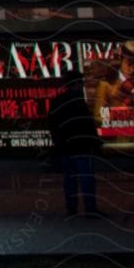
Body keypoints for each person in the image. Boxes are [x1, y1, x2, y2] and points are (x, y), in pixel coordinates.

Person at [46, 72, 102, 218]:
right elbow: (87, 124)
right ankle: (90, 208)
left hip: (66, 146)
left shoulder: (58, 101)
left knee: (69, 179)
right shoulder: (78, 101)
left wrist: (58, 143)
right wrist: (95, 142)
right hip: (81, 146)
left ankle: (71, 209)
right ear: (76, 84)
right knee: (86, 178)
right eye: (80, 83)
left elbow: (53, 125)